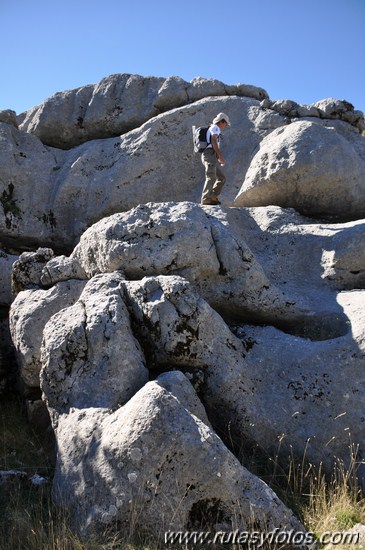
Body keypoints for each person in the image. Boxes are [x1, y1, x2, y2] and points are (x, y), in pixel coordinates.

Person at [200, 112, 231, 205]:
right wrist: (220, 156)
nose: (226, 126)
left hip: (210, 155)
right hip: (209, 154)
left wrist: (217, 157)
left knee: (221, 178)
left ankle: (212, 196)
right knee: (211, 176)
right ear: (222, 121)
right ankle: (206, 198)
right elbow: (213, 141)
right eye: (226, 123)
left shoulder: (214, 128)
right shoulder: (216, 128)